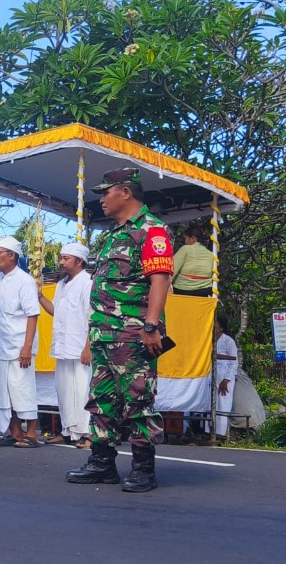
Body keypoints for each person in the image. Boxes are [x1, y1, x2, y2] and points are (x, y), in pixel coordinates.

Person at [66, 168, 173, 493]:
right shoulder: (113, 235)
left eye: (105, 192)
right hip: (104, 335)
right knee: (102, 401)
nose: (101, 199)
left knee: (138, 401)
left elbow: (160, 279)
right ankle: (102, 463)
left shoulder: (151, 231)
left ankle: (143, 469)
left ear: (125, 192)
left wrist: (151, 325)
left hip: (133, 335)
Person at [37, 242, 92, 449]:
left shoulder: (87, 283)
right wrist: (40, 297)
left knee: (83, 390)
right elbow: (55, 311)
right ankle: (68, 431)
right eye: (61, 258)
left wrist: (88, 347)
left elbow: (92, 317)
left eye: (65, 258)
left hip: (80, 347)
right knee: (64, 390)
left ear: (79, 261)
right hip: (63, 346)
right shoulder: (62, 284)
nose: (61, 262)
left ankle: (87, 434)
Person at [0, 236, 41, 448]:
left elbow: (32, 315)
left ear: (12, 255)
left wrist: (27, 347)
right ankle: (15, 431)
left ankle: (32, 434)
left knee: (23, 387)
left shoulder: (24, 280)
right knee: (5, 389)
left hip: (21, 344)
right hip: (3, 343)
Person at [213, 316, 238, 438]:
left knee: (223, 403)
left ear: (221, 328)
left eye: (216, 325)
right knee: (212, 403)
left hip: (225, 378)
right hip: (213, 376)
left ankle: (221, 433)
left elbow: (234, 362)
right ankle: (210, 431)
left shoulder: (229, 341)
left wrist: (226, 380)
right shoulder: (211, 341)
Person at [171, 226, 214, 297]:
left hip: (183, 289)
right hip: (205, 290)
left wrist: (165, 285)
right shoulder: (211, 254)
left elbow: (172, 269)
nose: (185, 242)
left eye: (186, 239)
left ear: (193, 239)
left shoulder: (186, 249)